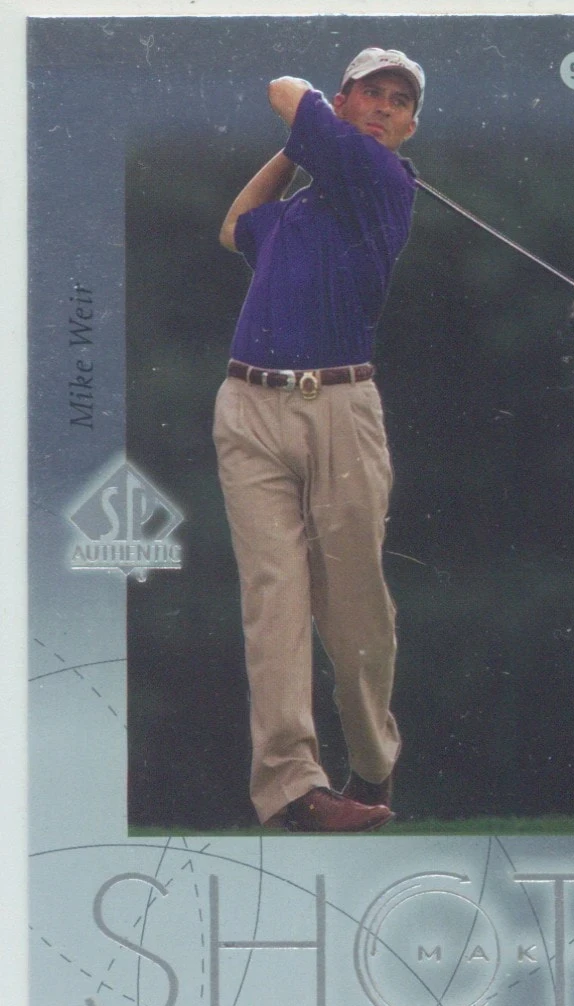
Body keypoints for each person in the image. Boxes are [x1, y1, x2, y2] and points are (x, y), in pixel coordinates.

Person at [213, 48, 424, 832]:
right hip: (248, 407)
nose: (383, 107)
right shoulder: (298, 212)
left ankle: (370, 760)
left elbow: (281, 87)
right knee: (273, 597)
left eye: (399, 101)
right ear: (343, 102)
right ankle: (292, 790)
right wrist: (296, 147)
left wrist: (312, 124)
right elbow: (233, 226)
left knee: (354, 605)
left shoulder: (384, 182)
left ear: (407, 128)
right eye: (370, 92)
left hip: (340, 409)